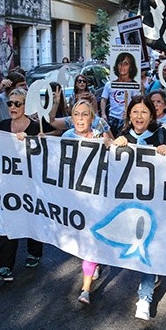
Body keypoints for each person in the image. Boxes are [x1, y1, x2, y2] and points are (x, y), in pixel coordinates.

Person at [107, 94, 166, 320]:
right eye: (135, 111)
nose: (139, 116)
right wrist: (114, 145)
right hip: (129, 202)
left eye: (144, 112)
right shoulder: (124, 136)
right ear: (129, 114)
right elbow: (111, 165)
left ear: (151, 116)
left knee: (147, 246)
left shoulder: (160, 134)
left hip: (154, 202)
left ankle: (144, 296)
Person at [0, 88, 55, 282]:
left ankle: (35, 251)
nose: (13, 107)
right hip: (9, 182)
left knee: (32, 217)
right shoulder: (2, 125)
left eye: (17, 103)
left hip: (32, 183)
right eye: (10, 103)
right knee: (10, 223)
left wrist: (36, 141)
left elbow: (45, 154)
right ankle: (3, 267)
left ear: (26, 105)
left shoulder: (35, 127)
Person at [61, 100, 106, 305]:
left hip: (95, 198)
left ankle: (85, 288)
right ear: (71, 118)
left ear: (92, 118)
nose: (80, 118)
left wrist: (114, 143)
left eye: (85, 114)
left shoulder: (99, 136)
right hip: (73, 198)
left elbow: (114, 156)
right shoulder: (65, 137)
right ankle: (93, 264)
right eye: (76, 114)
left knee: (90, 241)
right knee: (81, 238)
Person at [101, 51, 142, 136]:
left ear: (131, 67)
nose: (122, 67)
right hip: (112, 117)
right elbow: (103, 99)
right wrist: (103, 114)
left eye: (126, 64)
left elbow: (138, 100)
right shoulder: (109, 84)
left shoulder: (133, 85)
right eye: (120, 63)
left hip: (127, 118)